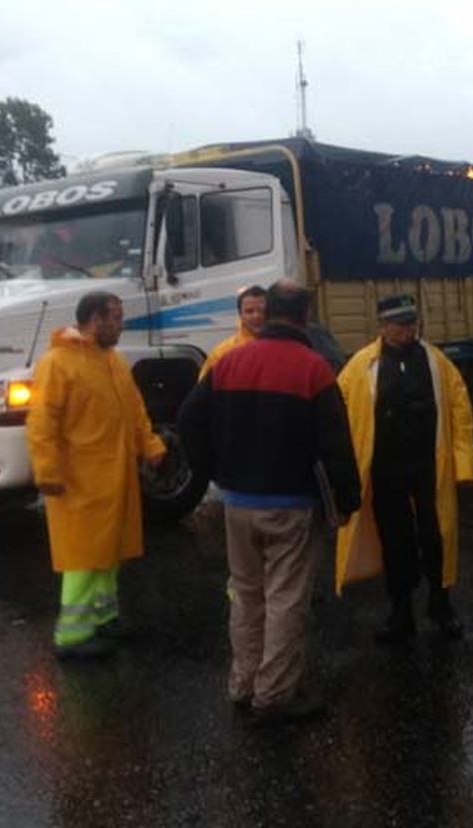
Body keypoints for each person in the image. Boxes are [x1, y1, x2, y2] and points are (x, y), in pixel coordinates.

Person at [177, 279, 361, 725]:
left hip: (237, 501)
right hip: (291, 503)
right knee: (285, 598)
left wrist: (213, 471)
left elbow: (187, 421)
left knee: (246, 595)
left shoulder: (228, 363)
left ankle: (243, 684)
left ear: (269, 311)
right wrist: (348, 498)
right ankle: (275, 694)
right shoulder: (314, 369)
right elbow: (336, 445)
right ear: (303, 317)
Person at [26, 291, 168, 660]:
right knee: (83, 557)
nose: (121, 325)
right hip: (79, 480)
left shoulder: (113, 361)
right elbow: (42, 422)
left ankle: (104, 616)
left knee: (110, 551)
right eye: (116, 318)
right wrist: (47, 471)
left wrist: (151, 447)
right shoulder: (58, 363)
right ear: (95, 319)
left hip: (113, 476)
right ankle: (72, 636)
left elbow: (134, 410)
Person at [334, 293, 473, 643]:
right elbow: (339, 416)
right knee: (395, 540)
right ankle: (401, 611)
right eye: (399, 325)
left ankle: (441, 605)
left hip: (429, 466)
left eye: (411, 324)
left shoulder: (437, 362)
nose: (406, 331)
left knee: (436, 535)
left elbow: (460, 412)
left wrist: (464, 465)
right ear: (382, 326)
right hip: (385, 471)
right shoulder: (359, 367)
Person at [198, 285, 269, 378]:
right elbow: (204, 388)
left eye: (261, 310)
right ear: (240, 315)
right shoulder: (222, 352)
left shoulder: (285, 346)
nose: (256, 316)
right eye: (249, 311)